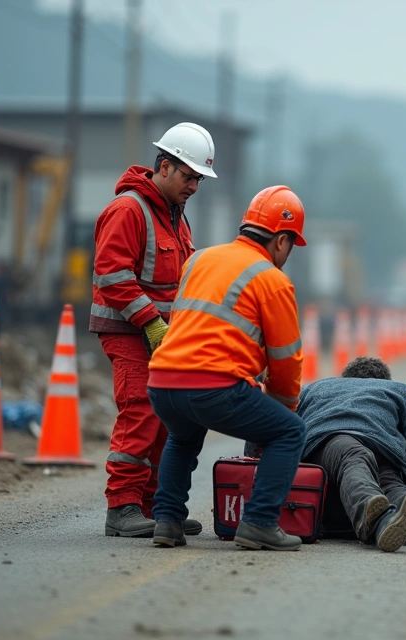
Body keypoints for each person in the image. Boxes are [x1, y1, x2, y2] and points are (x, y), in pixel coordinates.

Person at [146, 185, 309, 551]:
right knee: (289, 432)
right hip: (213, 387)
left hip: (162, 382)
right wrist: (283, 405)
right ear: (281, 240)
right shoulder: (272, 280)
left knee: (183, 436)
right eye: (290, 246)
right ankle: (259, 523)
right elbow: (285, 357)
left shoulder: (199, 259)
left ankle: (167, 522)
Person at [90, 122, 214, 538]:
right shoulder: (129, 210)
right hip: (129, 333)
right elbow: (111, 276)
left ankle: (153, 508)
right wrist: (152, 324)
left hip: (162, 336)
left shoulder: (176, 217)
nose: (194, 185)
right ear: (164, 166)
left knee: (166, 418)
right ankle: (122, 507)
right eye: (188, 176)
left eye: (199, 178)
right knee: (140, 410)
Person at [296, 357, 406, 551]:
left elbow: (282, 430)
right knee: (387, 484)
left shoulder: (313, 388)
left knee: (403, 501)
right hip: (360, 452)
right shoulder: (402, 391)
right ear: (384, 380)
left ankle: (387, 520)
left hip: (333, 465)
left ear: (345, 378)